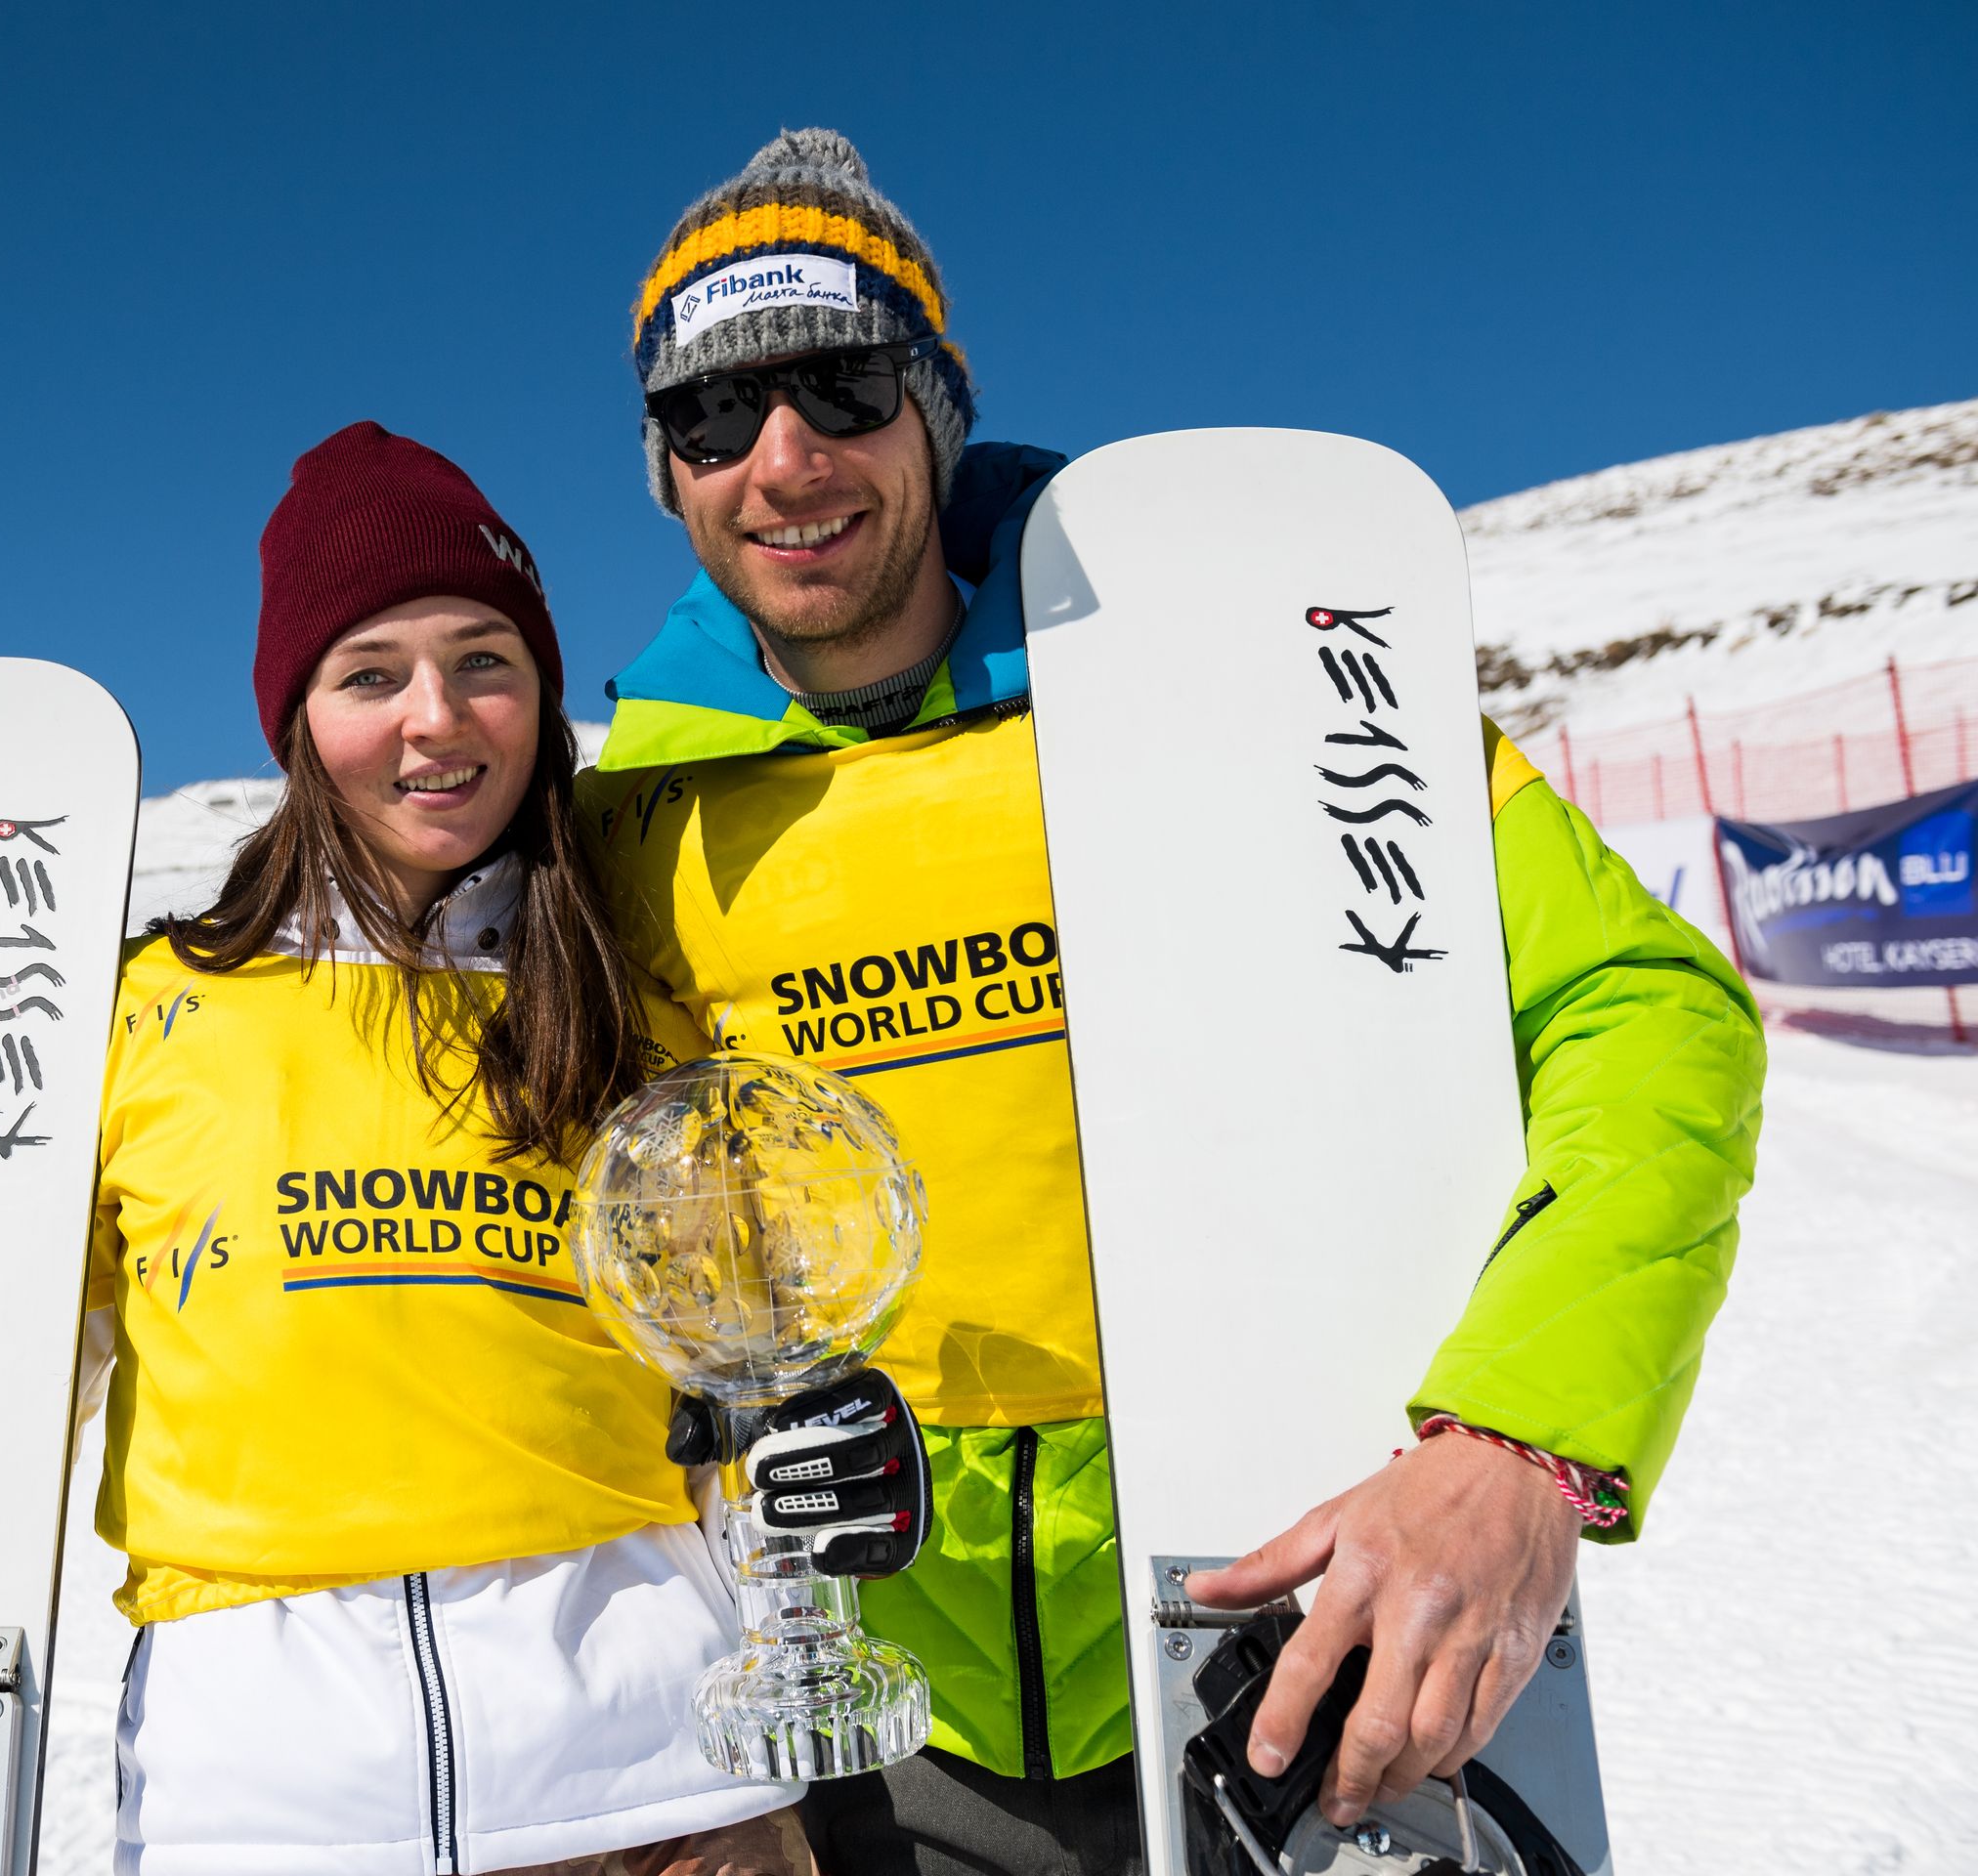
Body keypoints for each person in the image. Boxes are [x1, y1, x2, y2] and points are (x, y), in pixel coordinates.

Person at [578, 130, 1767, 1874]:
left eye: (840, 386)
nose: (785, 460)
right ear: (663, 474)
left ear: (937, 406)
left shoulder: (1244, 684)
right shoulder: (637, 828)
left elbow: (1650, 1016)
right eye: (713, 417)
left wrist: (1528, 1446)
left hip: (1294, 1651)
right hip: (884, 1730)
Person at [76, 421, 820, 1875]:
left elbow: (750, 1373)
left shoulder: (641, 1001)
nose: (439, 717)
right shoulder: (144, 1013)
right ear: (297, 718)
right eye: (371, 675)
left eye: (487, 660)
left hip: (669, 1788)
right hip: (275, 1810)